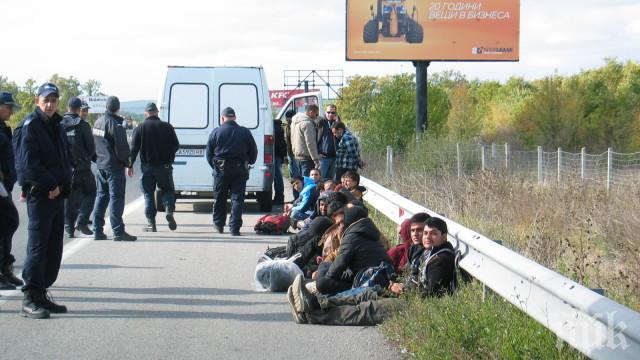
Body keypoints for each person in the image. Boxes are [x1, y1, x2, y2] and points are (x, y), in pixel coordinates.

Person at [288, 217, 457, 325]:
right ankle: (316, 303)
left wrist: (404, 290)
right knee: (366, 293)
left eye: (433, 234)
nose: (427, 237)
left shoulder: (440, 260)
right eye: (426, 233)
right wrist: (396, 284)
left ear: (444, 236)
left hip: (416, 306)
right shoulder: (428, 252)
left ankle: (312, 315)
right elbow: (412, 276)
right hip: (405, 293)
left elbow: (431, 294)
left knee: (366, 309)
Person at [14, 83, 73, 318]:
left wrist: (64, 185)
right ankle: (30, 297)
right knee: (38, 247)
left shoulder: (57, 124)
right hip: (42, 195)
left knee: (53, 247)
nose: (50, 104)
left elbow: (63, 158)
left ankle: (42, 293)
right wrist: (51, 185)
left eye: (54, 100)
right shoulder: (30, 126)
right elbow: (27, 165)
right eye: (45, 100)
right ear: (37, 101)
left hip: (58, 195)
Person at [315, 206, 392, 296]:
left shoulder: (351, 237)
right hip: (372, 276)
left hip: (363, 282)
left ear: (349, 222)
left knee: (322, 283)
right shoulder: (370, 233)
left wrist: (324, 280)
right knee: (325, 265)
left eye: (341, 223)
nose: (339, 227)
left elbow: (334, 272)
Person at [206, 107, 258, 236]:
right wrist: (250, 161)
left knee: (220, 197)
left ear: (222, 118)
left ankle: (218, 225)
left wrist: (216, 166)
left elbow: (208, 154)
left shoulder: (216, 132)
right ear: (234, 117)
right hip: (240, 169)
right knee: (237, 199)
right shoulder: (245, 132)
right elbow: (253, 151)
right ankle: (234, 228)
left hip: (221, 169)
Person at [130, 102, 180, 232]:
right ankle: (169, 211)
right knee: (167, 190)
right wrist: (169, 159)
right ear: (157, 112)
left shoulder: (140, 128)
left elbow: (134, 149)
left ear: (146, 113)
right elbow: (175, 145)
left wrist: (129, 165)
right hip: (164, 167)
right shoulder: (167, 127)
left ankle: (151, 223)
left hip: (147, 167)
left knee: (148, 194)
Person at [92, 96, 136, 241]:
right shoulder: (115, 124)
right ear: (117, 108)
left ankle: (97, 230)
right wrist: (128, 163)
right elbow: (122, 148)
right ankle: (118, 231)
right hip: (114, 167)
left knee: (101, 197)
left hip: (101, 166)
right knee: (116, 198)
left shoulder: (97, 122)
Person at [61, 97, 96, 238]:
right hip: (81, 167)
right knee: (91, 192)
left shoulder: (58, 124)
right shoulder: (82, 125)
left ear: (67, 107)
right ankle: (82, 221)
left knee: (68, 198)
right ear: (78, 109)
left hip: (64, 168)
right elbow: (91, 148)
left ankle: (69, 228)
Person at [0, 92, 22, 290]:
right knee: (8, 222)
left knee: (6, 227)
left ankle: (5, 270)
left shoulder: (3, 128)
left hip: (5, 185)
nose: (11, 110)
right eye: (8, 106)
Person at [290, 104, 320, 177]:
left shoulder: (294, 122)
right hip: (307, 157)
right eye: (316, 114)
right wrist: (315, 159)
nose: (316, 117)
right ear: (311, 112)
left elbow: (292, 138)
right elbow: (310, 143)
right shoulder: (308, 123)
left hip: (297, 156)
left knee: (299, 181)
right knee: (307, 181)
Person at [316, 104, 340, 181]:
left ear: (336, 114)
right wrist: (317, 153)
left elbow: (341, 137)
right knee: (320, 180)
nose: (330, 114)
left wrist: (337, 123)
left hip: (334, 157)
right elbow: (314, 139)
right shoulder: (321, 123)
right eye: (328, 112)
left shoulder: (338, 123)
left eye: (333, 113)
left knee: (331, 181)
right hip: (323, 157)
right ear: (325, 112)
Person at [283, 109, 300, 200]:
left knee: (296, 177)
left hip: (295, 155)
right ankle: (296, 197)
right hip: (290, 154)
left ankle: (298, 197)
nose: (287, 120)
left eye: (288, 118)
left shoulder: (296, 126)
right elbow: (287, 142)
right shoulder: (287, 127)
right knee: (293, 177)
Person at [272, 116, 287, 205]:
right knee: (278, 177)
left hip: (275, 155)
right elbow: (283, 143)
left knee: (277, 177)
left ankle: (279, 198)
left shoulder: (274, 129)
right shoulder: (280, 129)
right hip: (278, 155)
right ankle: (279, 197)